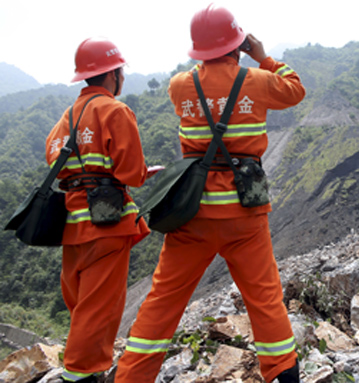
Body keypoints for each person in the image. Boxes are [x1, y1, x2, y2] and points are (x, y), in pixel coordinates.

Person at [114, 4, 306, 383]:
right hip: (245, 216)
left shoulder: (179, 86)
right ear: (237, 44)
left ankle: (131, 377)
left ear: (197, 50)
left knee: (162, 302)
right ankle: (283, 375)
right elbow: (295, 90)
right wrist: (263, 56)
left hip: (192, 215)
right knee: (265, 301)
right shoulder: (257, 81)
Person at [45, 37, 151, 382]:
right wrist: (138, 173)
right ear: (113, 74)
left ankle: (80, 364)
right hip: (107, 224)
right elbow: (131, 173)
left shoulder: (66, 118)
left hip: (71, 223)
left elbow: (57, 165)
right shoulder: (115, 111)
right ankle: (80, 373)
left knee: (79, 299)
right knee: (99, 305)